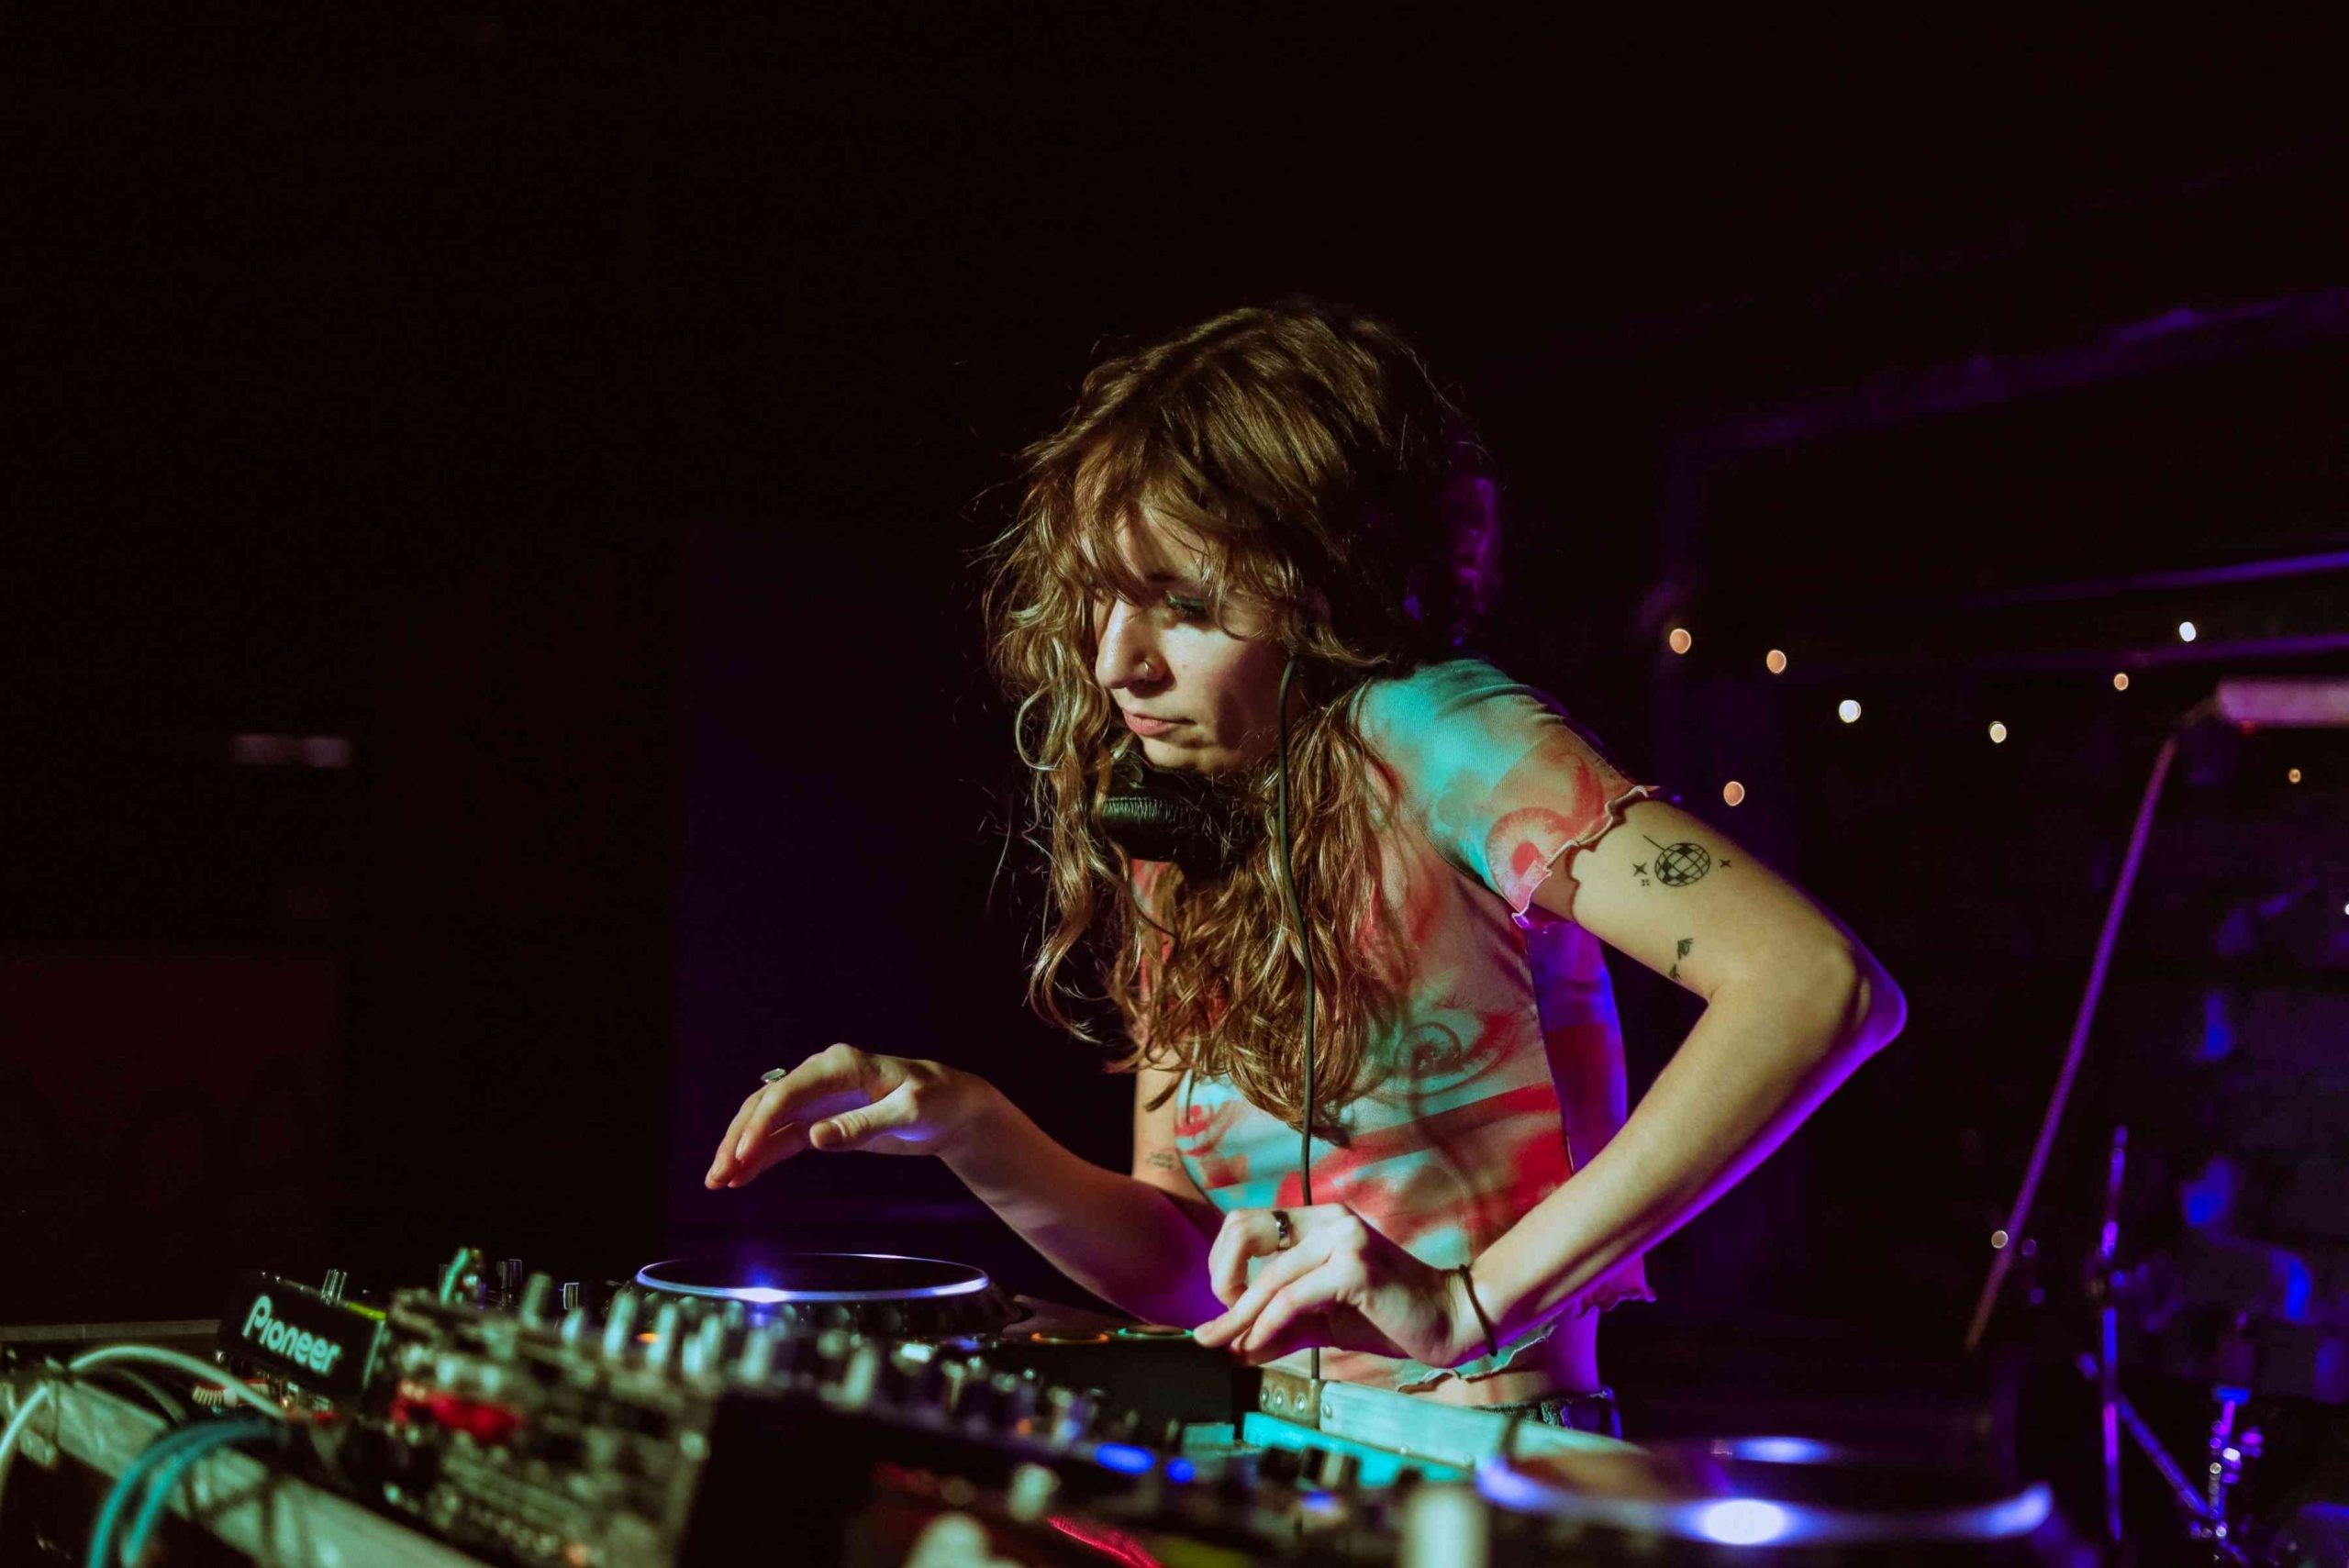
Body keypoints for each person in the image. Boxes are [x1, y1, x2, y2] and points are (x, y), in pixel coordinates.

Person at [703, 298, 1907, 1434]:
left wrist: (1474, 1304)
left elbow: (1815, 984)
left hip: (1490, 1471)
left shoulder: (1439, 734)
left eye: (1182, 603)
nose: (1118, 661)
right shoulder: (1187, 826)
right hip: (1290, 1466)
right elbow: (1190, 1271)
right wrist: (973, 1126)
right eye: (1102, 600)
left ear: (1318, 585)